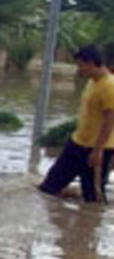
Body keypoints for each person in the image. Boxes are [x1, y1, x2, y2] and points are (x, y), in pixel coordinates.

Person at [39, 46, 114, 203]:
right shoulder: (92, 82)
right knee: (48, 188)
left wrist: (98, 151)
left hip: (97, 149)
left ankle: (88, 225)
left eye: (81, 65)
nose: (79, 69)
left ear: (92, 63)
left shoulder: (109, 86)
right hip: (76, 144)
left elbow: (110, 121)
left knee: (93, 199)